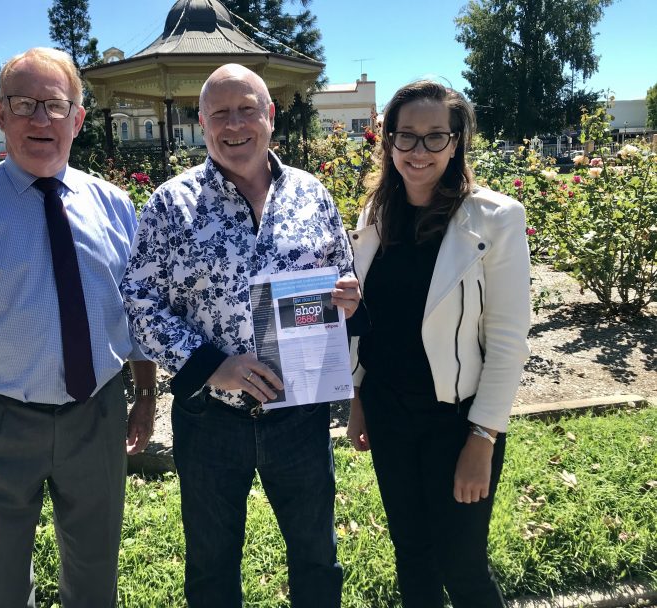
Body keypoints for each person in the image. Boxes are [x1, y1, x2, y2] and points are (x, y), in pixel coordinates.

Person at [0, 47, 157, 608]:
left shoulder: (114, 206)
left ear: (79, 119)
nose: (41, 120)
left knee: (95, 574)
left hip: (98, 414)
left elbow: (137, 313)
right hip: (0, 422)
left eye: (56, 106)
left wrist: (145, 394)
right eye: (24, 104)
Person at [121, 64, 360, 608]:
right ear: (202, 124)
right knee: (211, 565)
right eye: (219, 114)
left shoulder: (312, 195)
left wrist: (349, 298)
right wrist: (212, 364)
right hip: (211, 419)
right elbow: (138, 300)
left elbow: (343, 279)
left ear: (269, 115)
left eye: (246, 109)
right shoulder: (171, 204)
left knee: (317, 559)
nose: (234, 125)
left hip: (298, 418)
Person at [345, 80, 530, 608]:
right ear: (388, 143)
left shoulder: (495, 219)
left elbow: (509, 339)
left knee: (462, 565)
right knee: (412, 555)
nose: (418, 151)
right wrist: (359, 401)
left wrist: (483, 438)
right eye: (406, 137)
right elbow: (370, 322)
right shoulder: (375, 217)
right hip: (388, 411)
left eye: (434, 137)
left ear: (456, 143)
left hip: (458, 421)